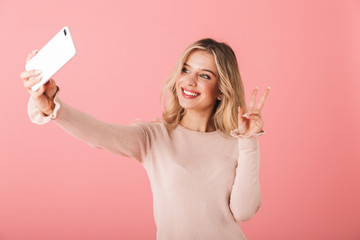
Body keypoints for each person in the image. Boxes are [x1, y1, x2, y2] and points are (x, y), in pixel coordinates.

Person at [20, 38, 270, 240]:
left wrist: (249, 141)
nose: (189, 81)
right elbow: (99, 133)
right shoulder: (156, 137)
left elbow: (244, 211)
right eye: (185, 69)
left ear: (221, 90)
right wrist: (52, 104)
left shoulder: (237, 142)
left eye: (205, 75)